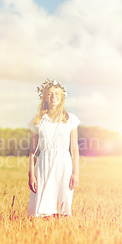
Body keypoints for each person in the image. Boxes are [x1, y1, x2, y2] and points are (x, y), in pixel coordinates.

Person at [26, 78, 80, 218]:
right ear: (44, 97)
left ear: (62, 96)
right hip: (44, 164)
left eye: (56, 93)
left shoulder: (70, 119)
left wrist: (76, 172)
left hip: (64, 165)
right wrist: (31, 174)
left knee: (63, 207)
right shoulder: (38, 120)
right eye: (49, 93)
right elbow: (33, 151)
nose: (53, 96)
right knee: (43, 209)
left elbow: (74, 149)